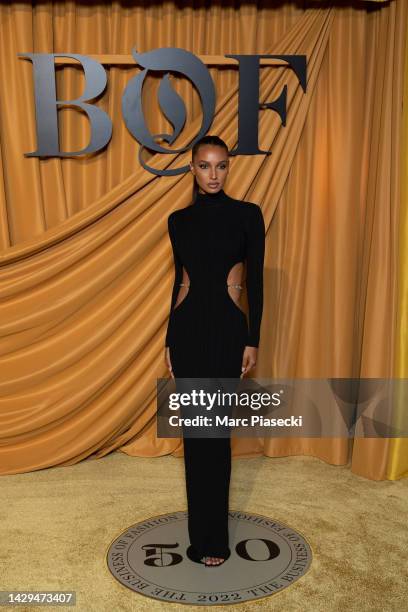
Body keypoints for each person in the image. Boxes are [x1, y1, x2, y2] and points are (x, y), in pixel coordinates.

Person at [164, 135, 265, 567]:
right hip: (186, 332)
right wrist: (169, 338)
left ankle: (215, 542)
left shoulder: (247, 215)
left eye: (220, 166)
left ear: (228, 168)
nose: (213, 174)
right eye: (204, 166)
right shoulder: (177, 221)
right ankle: (197, 534)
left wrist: (252, 338)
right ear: (191, 168)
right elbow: (179, 282)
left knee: (216, 435)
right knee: (194, 435)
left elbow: (256, 282)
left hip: (227, 331)